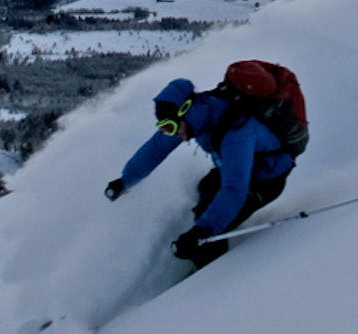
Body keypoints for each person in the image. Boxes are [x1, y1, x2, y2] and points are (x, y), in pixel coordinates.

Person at [104, 70, 298, 268]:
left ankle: (212, 278)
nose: (172, 133)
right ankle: (206, 234)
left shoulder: (236, 131)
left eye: (170, 127)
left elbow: (235, 188)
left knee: (207, 231)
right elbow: (156, 148)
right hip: (235, 169)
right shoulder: (193, 117)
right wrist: (124, 181)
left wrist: (202, 231)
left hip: (264, 181)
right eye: (164, 128)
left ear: (186, 109)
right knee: (206, 186)